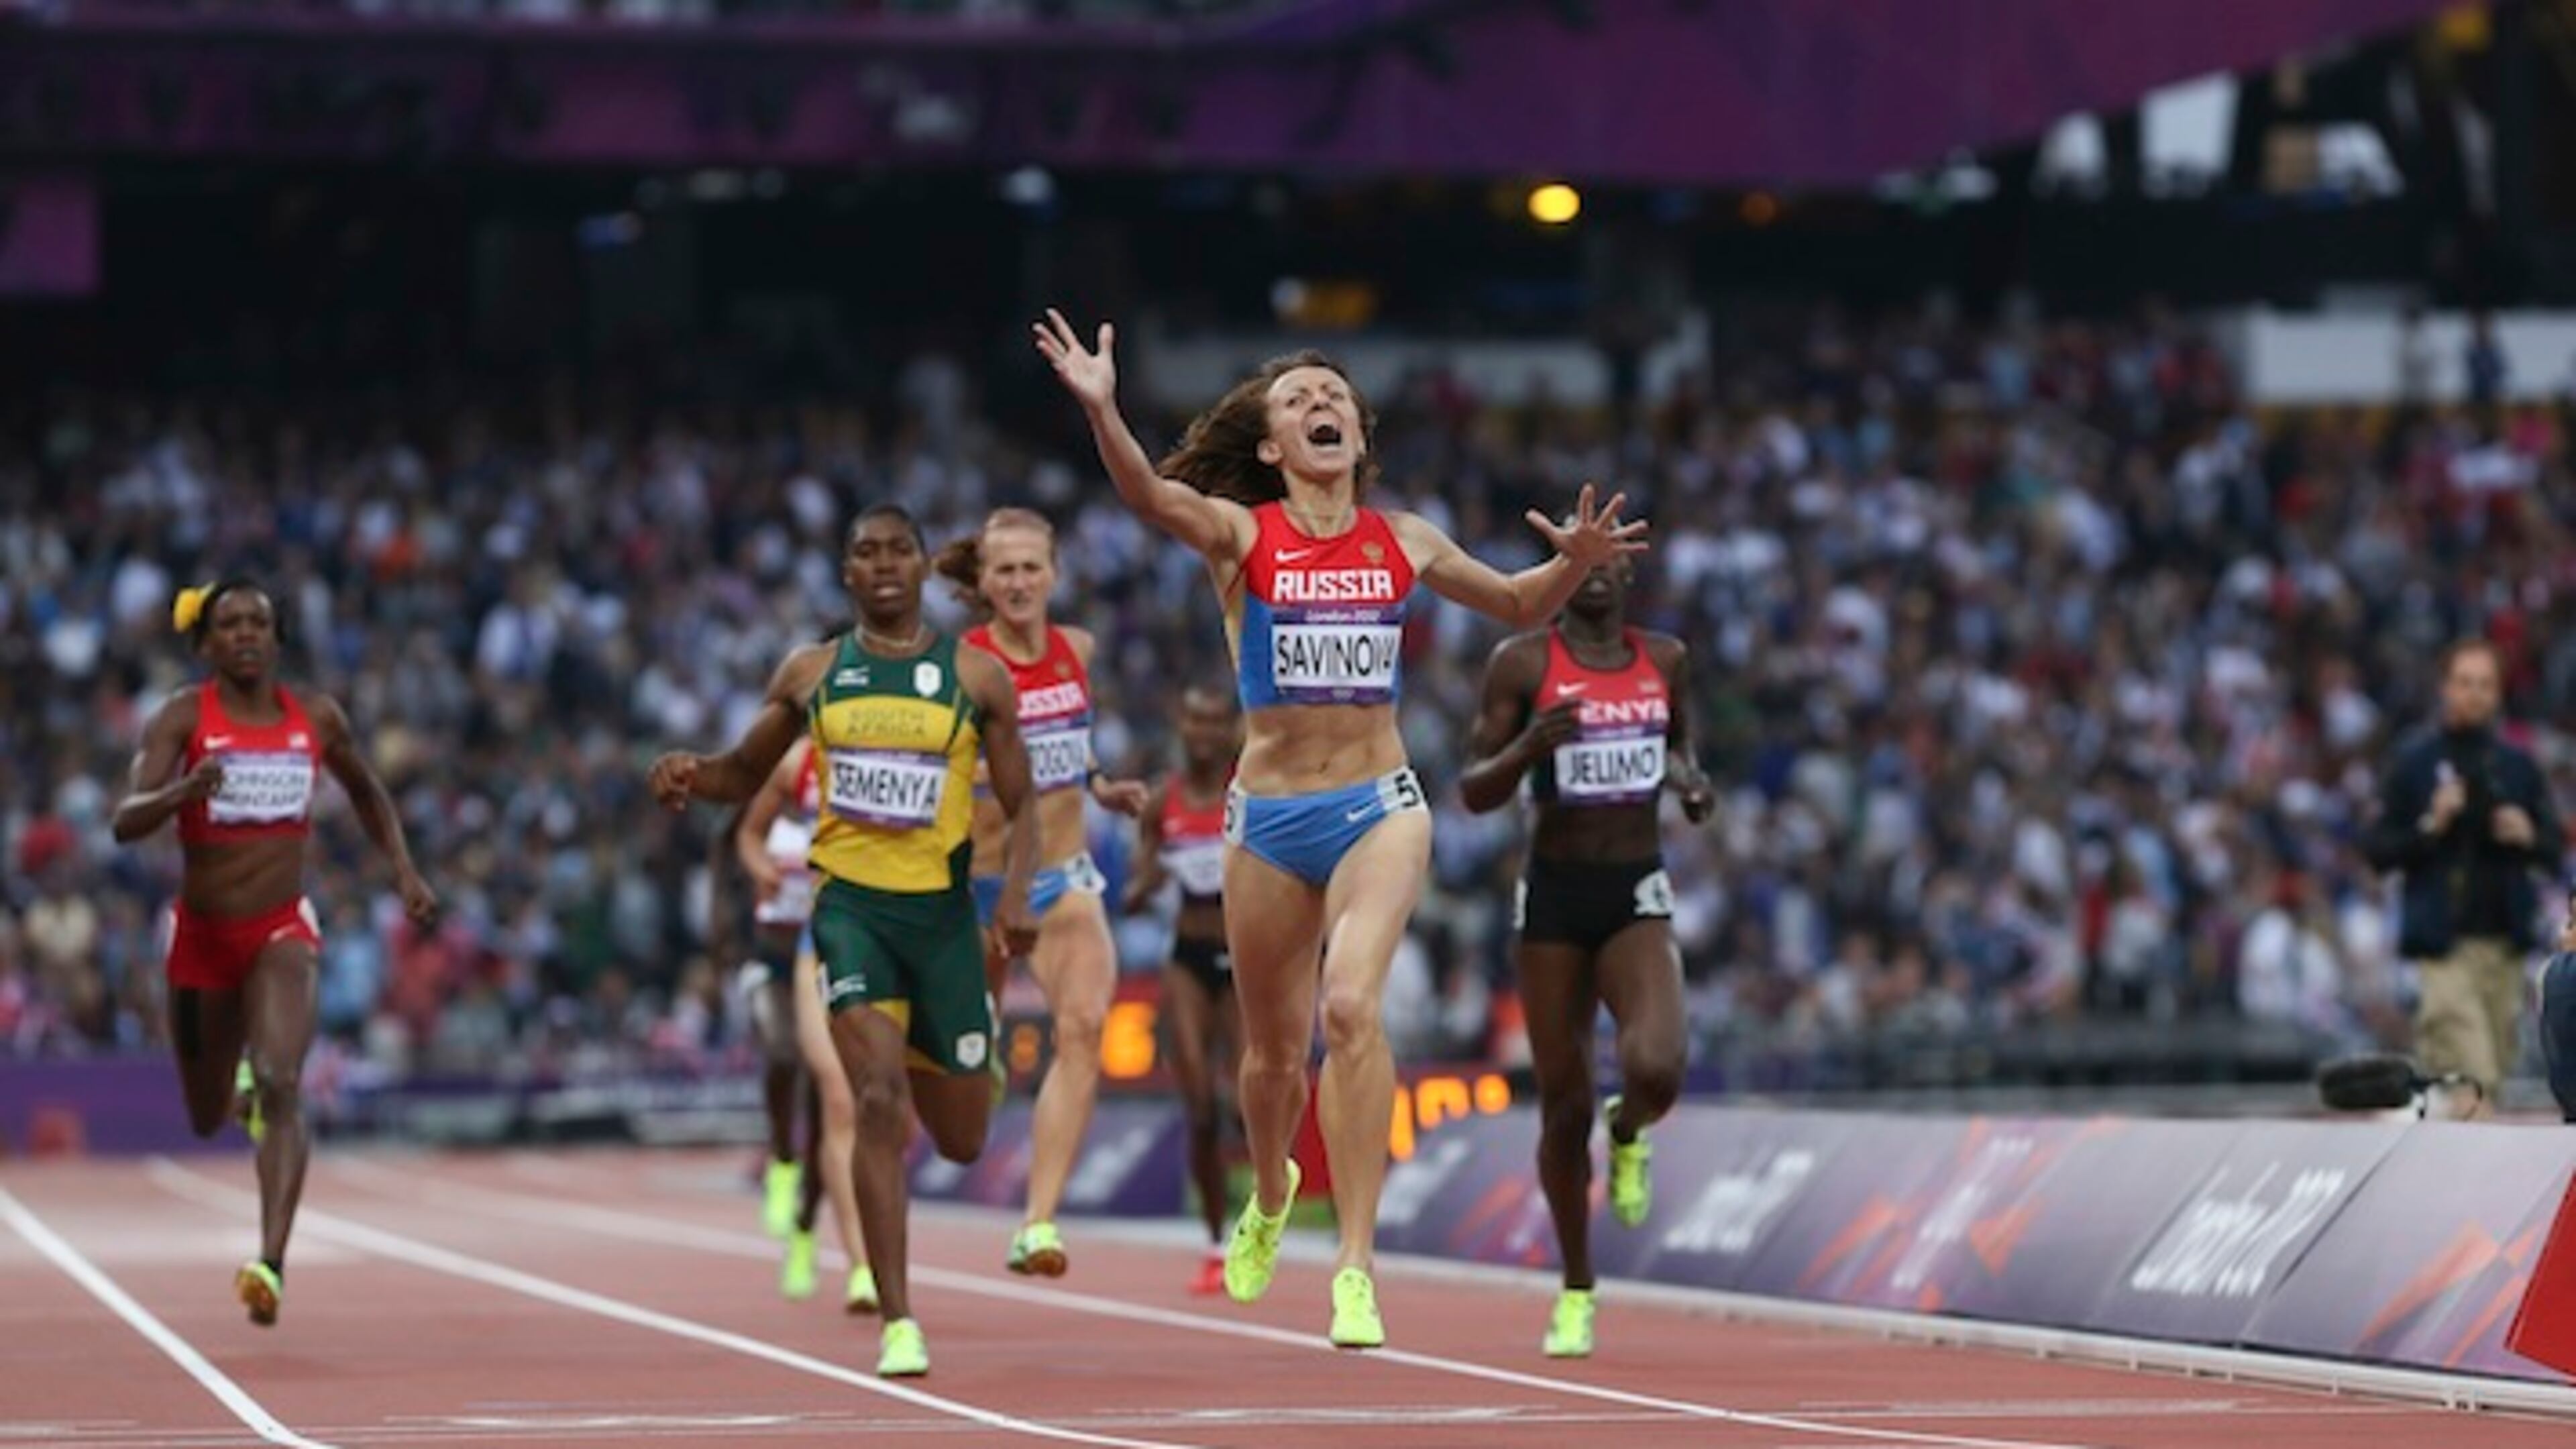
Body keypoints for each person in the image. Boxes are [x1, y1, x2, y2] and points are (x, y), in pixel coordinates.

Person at [1034, 311, 1645, 1348]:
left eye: (1334, 399)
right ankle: (1269, 1192)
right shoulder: (1242, 536)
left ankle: (1355, 1266)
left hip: (1378, 803)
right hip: (1269, 818)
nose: (1320, 406)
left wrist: (1573, 566)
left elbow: (1512, 601)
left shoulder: (1403, 539)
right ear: (1271, 447)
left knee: (1352, 1009)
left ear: (1360, 437)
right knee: (1272, 1057)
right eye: (1296, 400)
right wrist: (1102, 410)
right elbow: (1147, 494)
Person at [650, 505, 1038, 1379]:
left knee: (964, 1138)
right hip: (849, 912)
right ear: (848, 575)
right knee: (871, 1098)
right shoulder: (812, 673)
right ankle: (899, 1315)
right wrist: (690, 773)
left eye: (900, 549)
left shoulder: (976, 680)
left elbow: (1026, 806)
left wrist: (1017, 896)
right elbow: (742, 775)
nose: (886, 563)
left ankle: (972, 1061)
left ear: (919, 566)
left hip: (941, 921)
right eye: (867, 553)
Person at [112, 578, 437, 1328]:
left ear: (279, 636)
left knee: (287, 1078)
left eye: (259, 622)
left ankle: (271, 1264)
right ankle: (246, 1100)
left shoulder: (316, 718)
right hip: (202, 940)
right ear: (207, 644)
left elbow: (368, 792)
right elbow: (125, 821)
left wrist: (404, 869)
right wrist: (183, 791)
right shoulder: (183, 716)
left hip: (281, 929)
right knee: (202, 1116)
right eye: (230, 625)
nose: (247, 635)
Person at [1458, 553, 1711, 1359]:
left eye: (1610, 565)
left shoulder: (1665, 659)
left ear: (1631, 578)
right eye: (1580, 564)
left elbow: (1680, 749)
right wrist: (1529, 747)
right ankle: (1576, 1288)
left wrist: (1690, 783)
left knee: (1659, 1066)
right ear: (1561, 576)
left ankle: (1631, 1127)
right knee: (1562, 1109)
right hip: (1557, 897)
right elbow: (1473, 789)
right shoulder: (1523, 661)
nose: (1595, 578)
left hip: (1636, 884)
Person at [936, 507, 1150, 1279]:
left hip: (1063, 876)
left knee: (1087, 1026)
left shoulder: (1077, 650)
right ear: (984, 582)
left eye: (1033, 568)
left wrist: (1098, 784)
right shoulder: (963, 665)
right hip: (980, 888)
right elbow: (942, 770)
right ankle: (979, 1041)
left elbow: (1073, 739)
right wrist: (1000, 773)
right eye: (1005, 570)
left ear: (1055, 574)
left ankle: (1039, 1223)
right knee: (962, 1050)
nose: (1020, 582)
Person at [2362, 639, 2565, 1118]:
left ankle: (2430, 1145)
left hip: (2505, 949)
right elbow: (2377, 851)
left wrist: (2528, 834)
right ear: (2445, 688)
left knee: (2486, 1079)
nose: (2474, 694)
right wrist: (2431, 824)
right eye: (2464, 683)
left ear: (2498, 694)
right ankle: (2481, 1186)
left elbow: (2554, 853)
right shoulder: (2414, 764)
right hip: (2444, 950)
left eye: (2485, 685)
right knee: (2472, 1077)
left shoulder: (2517, 768)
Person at [735, 737, 875, 1313]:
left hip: (869, 942)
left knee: (840, 1113)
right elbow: (741, 838)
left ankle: (805, 1229)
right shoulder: (793, 769)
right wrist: (762, 874)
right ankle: (783, 1163)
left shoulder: (897, 752)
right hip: (782, 959)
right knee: (796, 1066)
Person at [1123, 684, 1244, 1294]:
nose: (1203, 732)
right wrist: (1148, 883)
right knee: (1199, 1103)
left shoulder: (1248, 791)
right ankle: (1217, 1243)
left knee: (1248, 1097)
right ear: (1181, 725)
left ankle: (1262, 1211)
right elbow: (1135, 886)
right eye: (1194, 720)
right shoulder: (1161, 801)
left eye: (1215, 721)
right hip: (1188, 955)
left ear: (1231, 729)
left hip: (1247, 959)